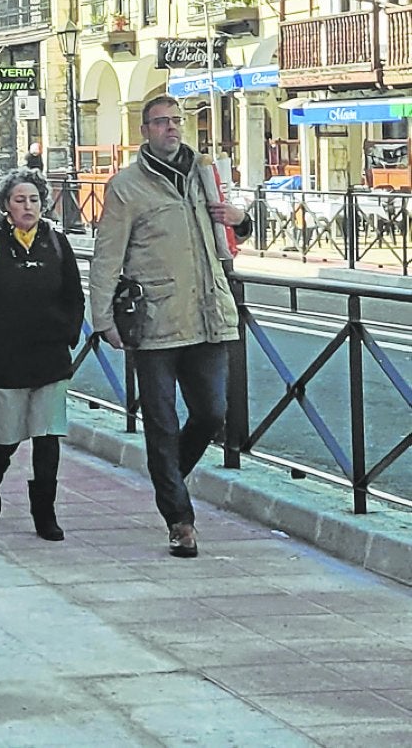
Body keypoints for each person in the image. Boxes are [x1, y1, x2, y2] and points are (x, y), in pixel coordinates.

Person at [90, 95, 251, 559]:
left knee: (212, 414)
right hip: (156, 321)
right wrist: (103, 319)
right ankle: (180, 520)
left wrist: (241, 222)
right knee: (160, 424)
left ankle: (167, 478)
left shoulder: (206, 175)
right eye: (161, 122)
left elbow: (233, 233)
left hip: (208, 316)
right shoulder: (127, 186)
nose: (172, 128)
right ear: (145, 130)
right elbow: (107, 256)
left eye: (177, 121)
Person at [0, 167, 84, 542]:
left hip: (50, 357)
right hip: (4, 359)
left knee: (47, 437)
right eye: (19, 200)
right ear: (6, 206)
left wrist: (68, 334)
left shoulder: (57, 243)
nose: (28, 206)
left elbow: (74, 295)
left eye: (34, 199)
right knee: (7, 436)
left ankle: (44, 513)